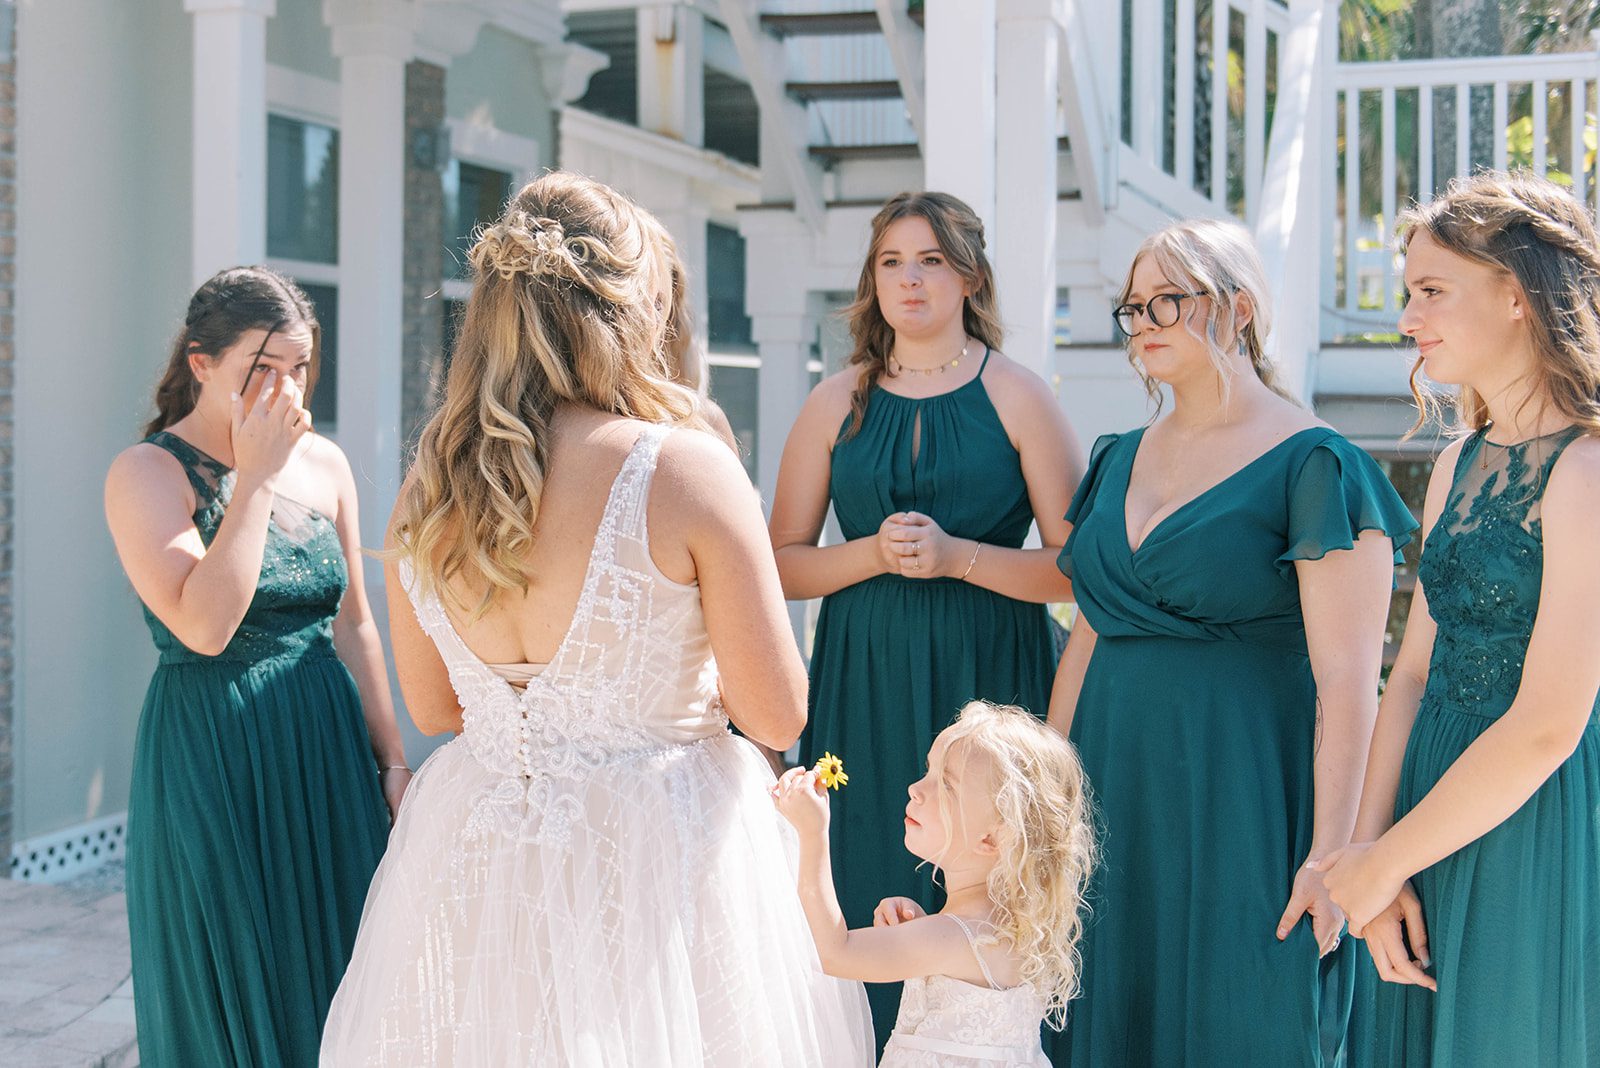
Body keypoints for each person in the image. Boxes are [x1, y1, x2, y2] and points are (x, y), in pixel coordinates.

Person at [319, 172, 874, 1066]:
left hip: (486, 856)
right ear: (628, 312)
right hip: (662, 862)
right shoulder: (687, 470)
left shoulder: (428, 489)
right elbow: (776, 713)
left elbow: (433, 712)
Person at [1045, 218, 1417, 1066]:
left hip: (1243, 795)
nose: (1142, 324)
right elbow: (1087, 636)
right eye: (1131, 307)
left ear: (1238, 309)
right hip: (1109, 787)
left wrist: (1332, 851)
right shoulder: (1116, 458)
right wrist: (1043, 793)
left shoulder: (1315, 463)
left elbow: (1350, 682)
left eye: (1166, 302)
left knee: (1239, 1017)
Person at [768, 191, 1083, 1041]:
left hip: (991, 673)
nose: (910, 280)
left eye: (931, 260)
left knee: (996, 873)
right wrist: (872, 553)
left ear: (970, 275)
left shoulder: (1019, 396)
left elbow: (1077, 570)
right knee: (867, 842)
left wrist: (958, 557)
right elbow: (780, 564)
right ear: (872, 281)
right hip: (859, 677)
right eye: (892, 262)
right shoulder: (835, 402)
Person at [1314, 171, 1600, 1065]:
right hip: (1421, 814)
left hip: (1528, 816)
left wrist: (1387, 855)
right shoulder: (1454, 467)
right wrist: (1370, 852)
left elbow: (1551, 724)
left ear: (1516, 295)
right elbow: (1409, 676)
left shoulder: (1588, 471)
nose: (1408, 317)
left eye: (1431, 290)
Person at [104, 266, 405, 1065]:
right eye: (261, 368)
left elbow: (356, 626)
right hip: (214, 750)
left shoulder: (329, 465)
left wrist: (394, 762)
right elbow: (203, 626)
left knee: (343, 973)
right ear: (202, 364)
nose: (285, 388)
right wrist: (257, 477)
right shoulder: (147, 474)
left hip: (324, 744)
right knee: (235, 976)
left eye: (298, 367)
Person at [773, 700, 1094, 1067]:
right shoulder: (996, 928)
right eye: (928, 770)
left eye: (946, 784)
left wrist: (812, 833)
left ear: (992, 839)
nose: (915, 788)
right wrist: (924, 923)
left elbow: (834, 953)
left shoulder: (953, 936)